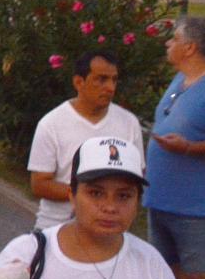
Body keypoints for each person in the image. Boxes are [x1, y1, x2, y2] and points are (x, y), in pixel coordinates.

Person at [0, 137, 192, 279]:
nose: (110, 207)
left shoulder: (151, 264)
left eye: (123, 196)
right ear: (72, 195)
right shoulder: (27, 256)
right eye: (96, 193)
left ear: (138, 201)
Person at [145, 16, 205, 279]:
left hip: (198, 208)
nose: (168, 42)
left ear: (190, 47)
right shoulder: (181, 78)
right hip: (161, 199)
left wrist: (189, 148)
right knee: (165, 277)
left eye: (175, 38)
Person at [28, 51, 144, 230]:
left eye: (114, 80)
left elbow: (137, 178)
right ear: (78, 82)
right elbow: (39, 184)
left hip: (109, 231)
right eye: (101, 79)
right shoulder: (52, 123)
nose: (110, 87)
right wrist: (90, 196)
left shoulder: (129, 123)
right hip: (56, 228)